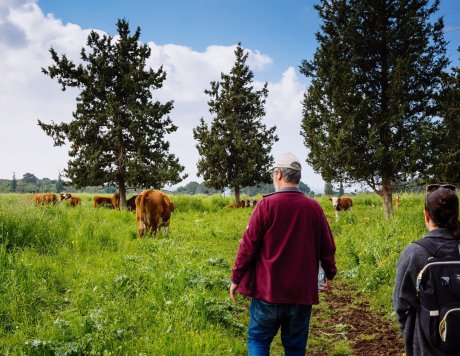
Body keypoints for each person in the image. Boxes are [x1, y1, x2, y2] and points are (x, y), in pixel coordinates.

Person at [229, 152, 337, 355]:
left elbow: (247, 246)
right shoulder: (314, 208)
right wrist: (329, 274)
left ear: (278, 174)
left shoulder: (265, 205)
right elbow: (327, 247)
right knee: (295, 347)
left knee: (258, 339)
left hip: (267, 292)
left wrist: (236, 278)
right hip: (301, 295)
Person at [393, 184, 460, 356]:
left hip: (427, 346)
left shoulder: (414, 253)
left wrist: (412, 336)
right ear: (457, 214)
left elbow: (401, 305)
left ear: (426, 215)